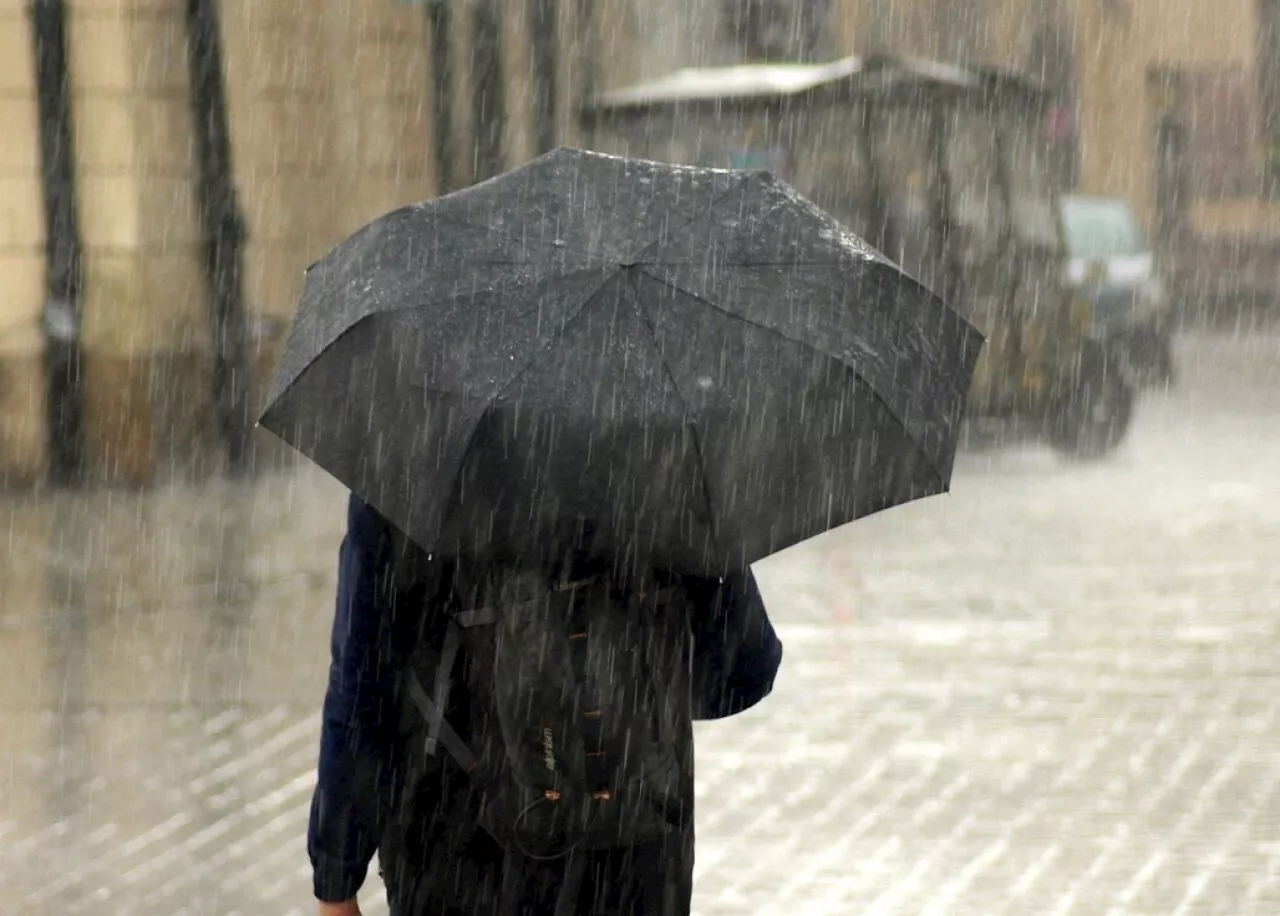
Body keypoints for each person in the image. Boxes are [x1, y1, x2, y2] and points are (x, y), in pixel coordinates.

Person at [309, 493, 784, 915]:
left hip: (456, 845)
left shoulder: (414, 449)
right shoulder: (665, 449)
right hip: (634, 842)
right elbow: (746, 668)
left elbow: (362, 681)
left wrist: (337, 873)